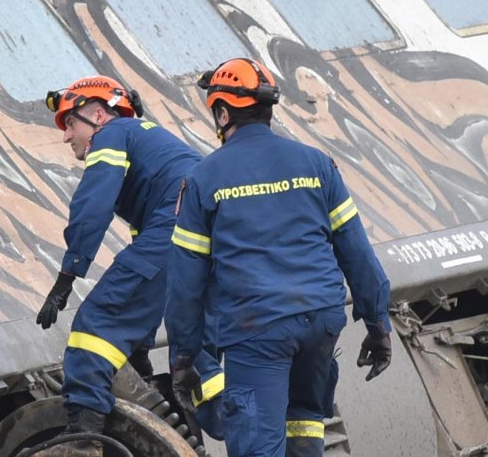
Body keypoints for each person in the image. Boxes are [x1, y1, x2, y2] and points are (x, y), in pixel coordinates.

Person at [165, 58, 392, 457]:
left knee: (257, 446)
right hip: (321, 320)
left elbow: (185, 283)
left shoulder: (205, 178)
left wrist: (184, 355)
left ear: (222, 112)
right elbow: (357, 253)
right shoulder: (317, 164)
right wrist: (377, 323)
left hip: (258, 329)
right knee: (304, 425)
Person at [34, 76, 218, 456]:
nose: (67, 137)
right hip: (208, 241)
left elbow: (92, 205)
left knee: (94, 327)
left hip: (177, 231)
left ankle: (81, 443)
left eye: (70, 123)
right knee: (196, 357)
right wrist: (137, 348)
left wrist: (67, 276)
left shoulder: (113, 133)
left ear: (99, 115)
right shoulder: (155, 150)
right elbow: (151, 276)